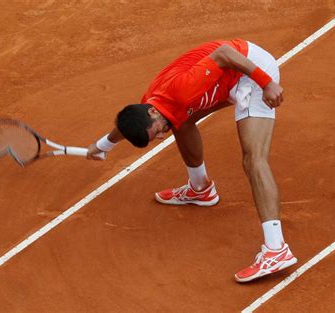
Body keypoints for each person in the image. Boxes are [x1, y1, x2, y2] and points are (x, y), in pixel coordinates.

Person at [87, 38, 297, 282]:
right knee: (179, 121)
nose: (162, 135)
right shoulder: (150, 107)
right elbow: (128, 125)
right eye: (156, 136)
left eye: (157, 131)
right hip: (223, 79)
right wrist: (103, 146)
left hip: (248, 71)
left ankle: (276, 249)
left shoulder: (181, 90)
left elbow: (224, 53)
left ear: (151, 111)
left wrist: (267, 83)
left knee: (254, 159)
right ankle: (201, 190)